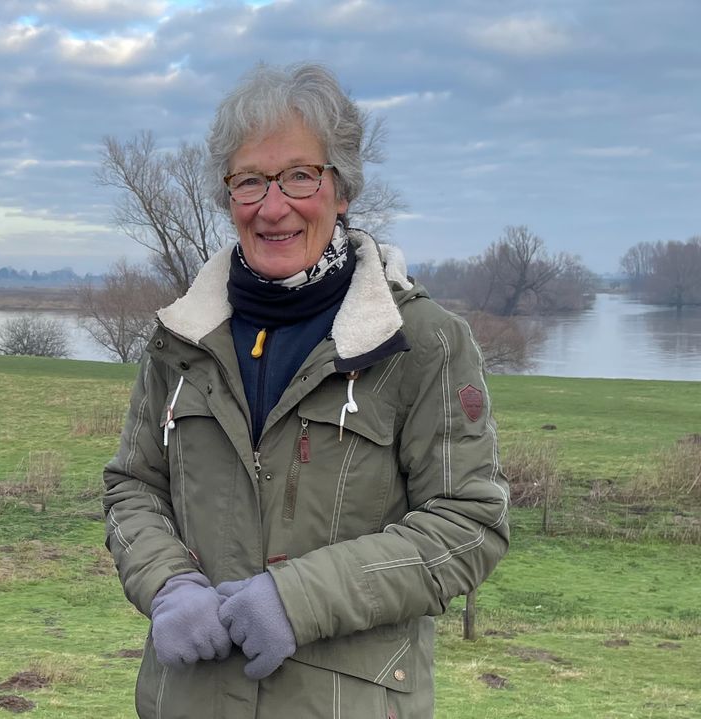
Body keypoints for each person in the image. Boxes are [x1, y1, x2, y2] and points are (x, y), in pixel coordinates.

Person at [103, 62, 508, 718]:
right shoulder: (180, 339)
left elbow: (468, 524)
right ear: (227, 196)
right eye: (250, 181)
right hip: (190, 698)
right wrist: (167, 584)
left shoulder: (422, 341)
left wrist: (299, 599)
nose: (273, 205)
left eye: (299, 175)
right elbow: (133, 486)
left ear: (341, 187)